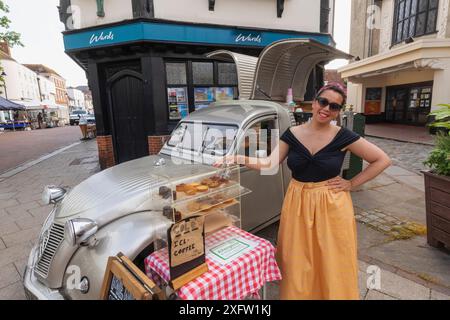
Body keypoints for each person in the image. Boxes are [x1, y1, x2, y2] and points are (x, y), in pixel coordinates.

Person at [214, 83, 392, 300]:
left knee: (332, 258)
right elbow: (270, 163)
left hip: (331, 205)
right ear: (315, 102)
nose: (326, 109)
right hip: (297, 202)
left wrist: (351, 184)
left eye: (334, 106)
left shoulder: (343, 136)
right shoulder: (292, 134)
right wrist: (237, 158)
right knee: (297, 258)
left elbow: (382, 160)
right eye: (323, 102)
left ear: (339, 111)